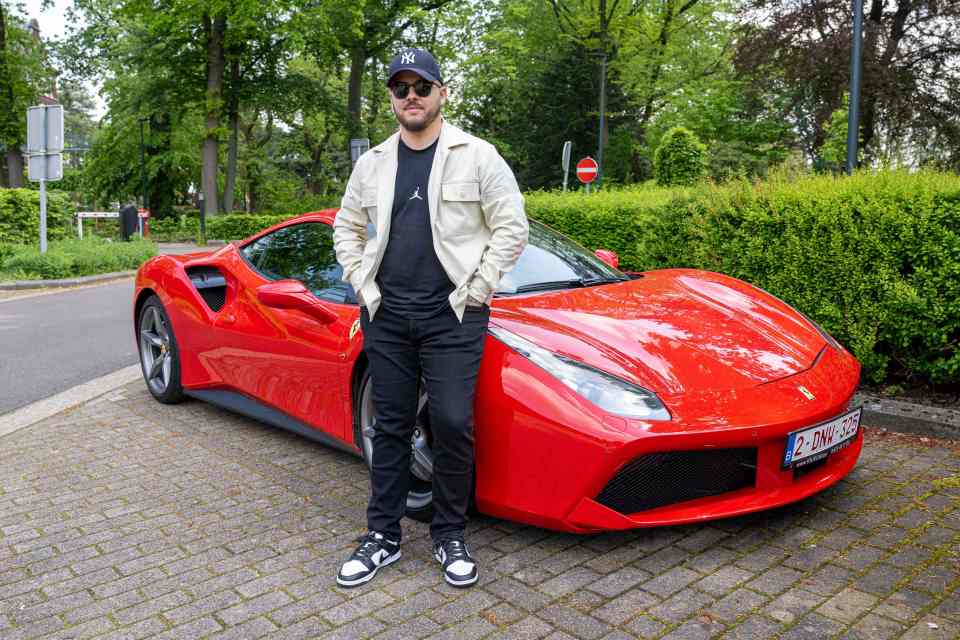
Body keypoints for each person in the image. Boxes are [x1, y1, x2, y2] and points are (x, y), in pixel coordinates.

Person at [332, 47, 528, 588]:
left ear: (442, 93)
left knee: (451, 423)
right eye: (401, 88)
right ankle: (383, 536)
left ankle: (449, 534)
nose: (411, 96)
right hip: (387, 316)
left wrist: (479, 287)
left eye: (422, 86)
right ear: (392, 99)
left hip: (454, 318)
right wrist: (359, 280)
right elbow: (345, 227)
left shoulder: (479, 155)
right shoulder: (371, 163)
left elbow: (512, 227)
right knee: (390, 426)